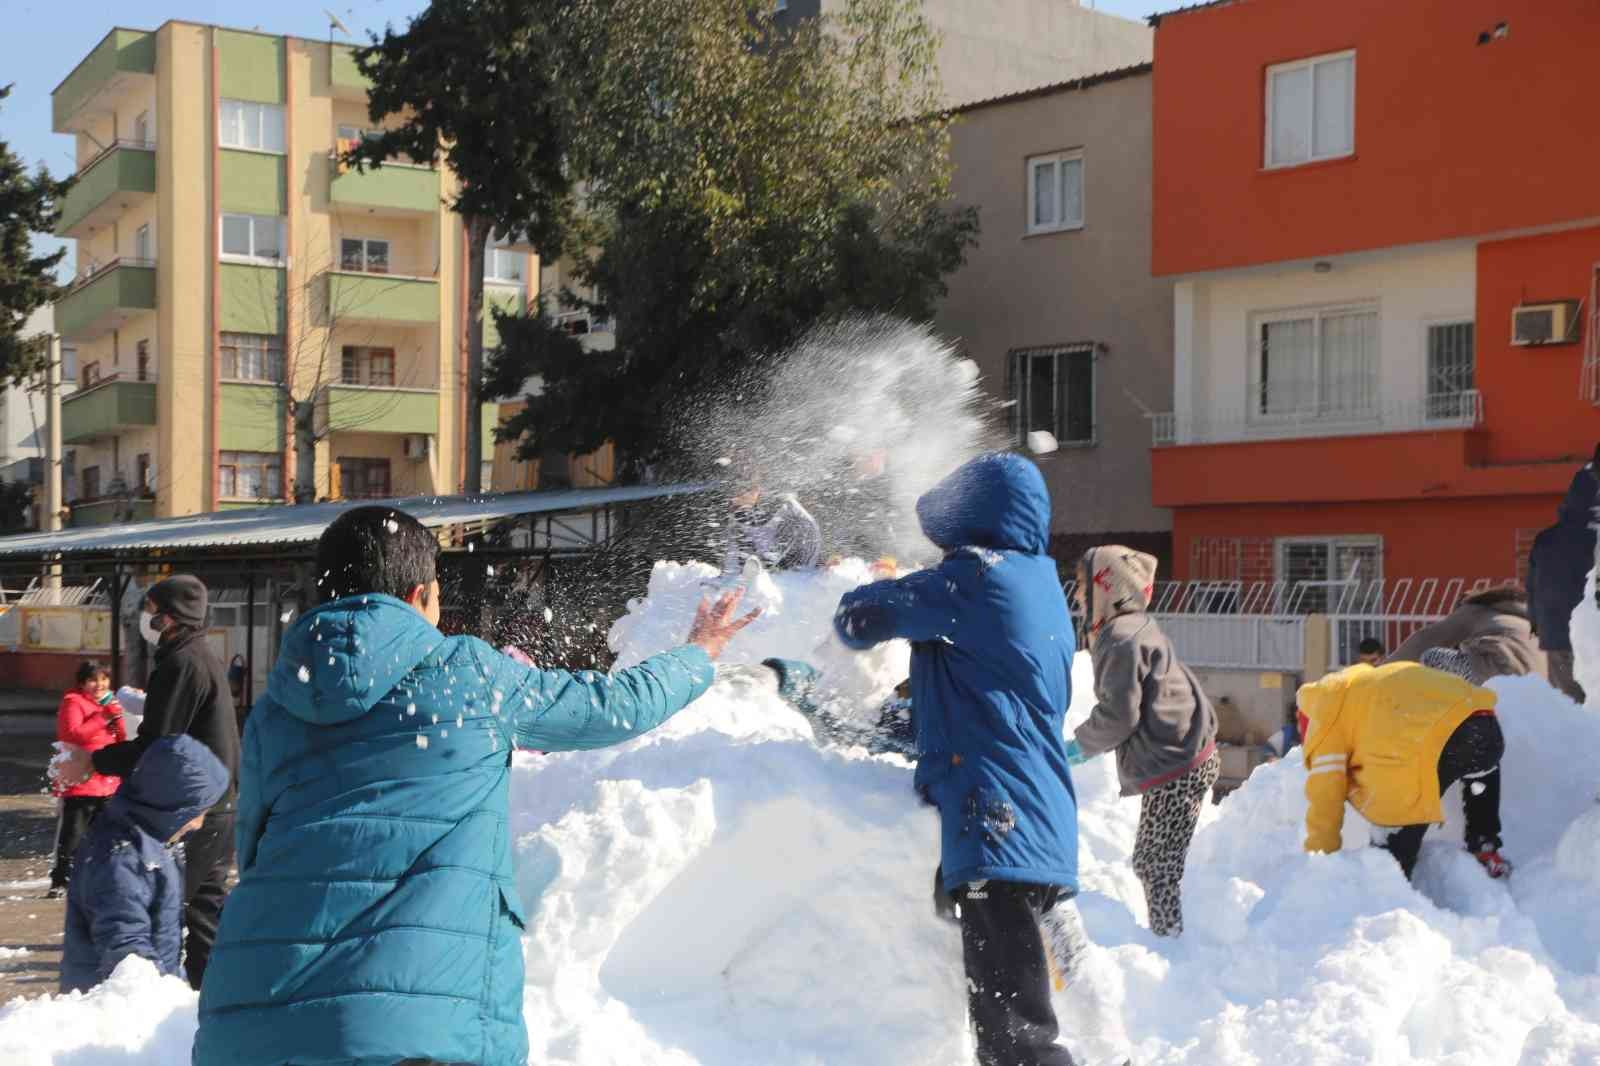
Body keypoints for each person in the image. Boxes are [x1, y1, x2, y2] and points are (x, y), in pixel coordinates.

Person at [191, 505, 757, 1066]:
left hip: (257, 1016)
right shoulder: (466, 673)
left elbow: (255, 844)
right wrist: (697, 653)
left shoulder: (278, 705)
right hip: (417, 1023)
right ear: (418, 596)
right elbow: (611, 709)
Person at [831, 452, 1080, 1066]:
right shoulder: (1040, 580)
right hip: (1038, 814)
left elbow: (859, 619)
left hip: (998, 819)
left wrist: (900, 579)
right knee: (1016, 1011)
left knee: (1016, 1038)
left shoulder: (974, 579)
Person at [55, 574, 241, 989]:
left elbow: (157, 747)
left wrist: (93, 760)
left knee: (176, 914)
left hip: (197, 806)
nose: (147, 618)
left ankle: (177, 1009)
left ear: (170, 618)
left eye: (152, 611)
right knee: (202, 913)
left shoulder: (180, 663)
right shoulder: (198, 656)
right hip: (215, 804)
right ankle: (207, 1004)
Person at [1066, 546, 1219, 938]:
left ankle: (1170, 943)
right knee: (1155, 862)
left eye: (1085, 586)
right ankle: (1168, 938)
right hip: (1182, 754)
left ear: (1108, 588)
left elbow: (1119, 715)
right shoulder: (1132, 626)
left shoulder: (1120, 637)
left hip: (1178, 762)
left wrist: (1075, 749)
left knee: (1156, 865)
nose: (1078, 595)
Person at [1298, 647, 1511, 880]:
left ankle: (1393, 890)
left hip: (1449, 740)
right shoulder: (1371, 685)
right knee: (1478, 766)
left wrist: (1320, 859)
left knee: (1396, 838)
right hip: (1487, 726)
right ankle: (1484, 844)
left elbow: (1326, 796)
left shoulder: (1327, 719)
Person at [59, 734, 230, 993]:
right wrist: (154, 997)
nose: (199, 824)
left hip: (148, 993)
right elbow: (125, 947)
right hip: (109, 1006)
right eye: (195, 814)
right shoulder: (120, 858)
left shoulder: (156, 842)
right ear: (167, 807)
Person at [49, 661, 127, 898]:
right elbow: (70, 735)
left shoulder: (110, 702)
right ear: (82, 682)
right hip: (82, 779)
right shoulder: (73, 702)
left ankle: (101, 877)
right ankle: (61, 880)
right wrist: (102, 717)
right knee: (73, 834)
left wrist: (117, 718)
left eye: (104, 679)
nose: (99, 685)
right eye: (93, 680)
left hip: (108, 779)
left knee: (108, 834)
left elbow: (121, 737)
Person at [1527, 450, 1598, 703]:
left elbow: (1532, 589)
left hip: (1555, 635)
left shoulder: (1545, 540)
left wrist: (1537, 624)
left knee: (1568, 706)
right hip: (1591, 635)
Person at [1388, 584, 1544, 683]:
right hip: (1541, 686)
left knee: (1431, 656)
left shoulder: (1473, 609)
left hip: (1500, 673)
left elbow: (1424, 639)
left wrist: (1381, 673)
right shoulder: (1528, 620)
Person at [722, 476, 823, 575]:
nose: (737, 496)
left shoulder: (785, 508)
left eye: (745, 489)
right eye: (736, 492)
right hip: (764, 571)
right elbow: (733, 556)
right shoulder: (737, 519)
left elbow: (810, 537)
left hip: (798, 570)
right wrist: (730, 576)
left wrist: (800, 570)